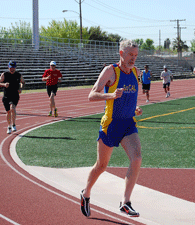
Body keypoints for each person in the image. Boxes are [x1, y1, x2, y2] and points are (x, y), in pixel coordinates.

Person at [80, 40, 143, 218]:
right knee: (101, 166)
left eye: (136, 55)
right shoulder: (111, 71)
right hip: (111, 124)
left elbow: (130, 95)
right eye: (130, 55)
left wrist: (134, 108)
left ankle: (126, 202)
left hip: (128, 123)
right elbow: (91, 95)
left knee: (137, 158)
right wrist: (111, 95)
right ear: (121, 53)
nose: (133, 59)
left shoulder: (136, 72)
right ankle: (86, 194)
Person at [0, 61, 25, 134]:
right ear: (8, 67)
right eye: (10, 67)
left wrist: (21, 88)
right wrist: (4, 84)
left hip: (15, 95)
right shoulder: (4, 74)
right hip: (6, 95)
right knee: (8, 112)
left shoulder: (18, 75)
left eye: (13, 67)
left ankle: (13, 124)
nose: (12, 69)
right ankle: (9, 126)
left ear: (15, 67)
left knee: (12, 108)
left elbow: (23, 82)